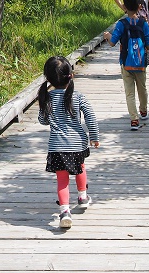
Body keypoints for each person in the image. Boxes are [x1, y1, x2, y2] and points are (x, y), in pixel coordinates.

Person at [37, 55, 100, 229]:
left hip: (57, 147)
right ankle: (82, 197)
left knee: (62, 179)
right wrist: (94, 137)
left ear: (48, 78)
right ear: (70, 75)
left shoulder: (47, 98)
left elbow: (42, 121)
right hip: (77, 144)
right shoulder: (78, 96)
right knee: (80, 168)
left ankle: (65, 212)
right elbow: (90, 116)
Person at [103, 0, 149, 130]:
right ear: (140, 6)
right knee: (142, 89)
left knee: (129, 93)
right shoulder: (144, 24)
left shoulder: (121, 24)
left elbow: (112, 43)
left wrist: (107, 36)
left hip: (126, 64)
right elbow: (147, 45)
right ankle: (143, 110)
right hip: (141, 64)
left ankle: (134, 120)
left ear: (124, 6)